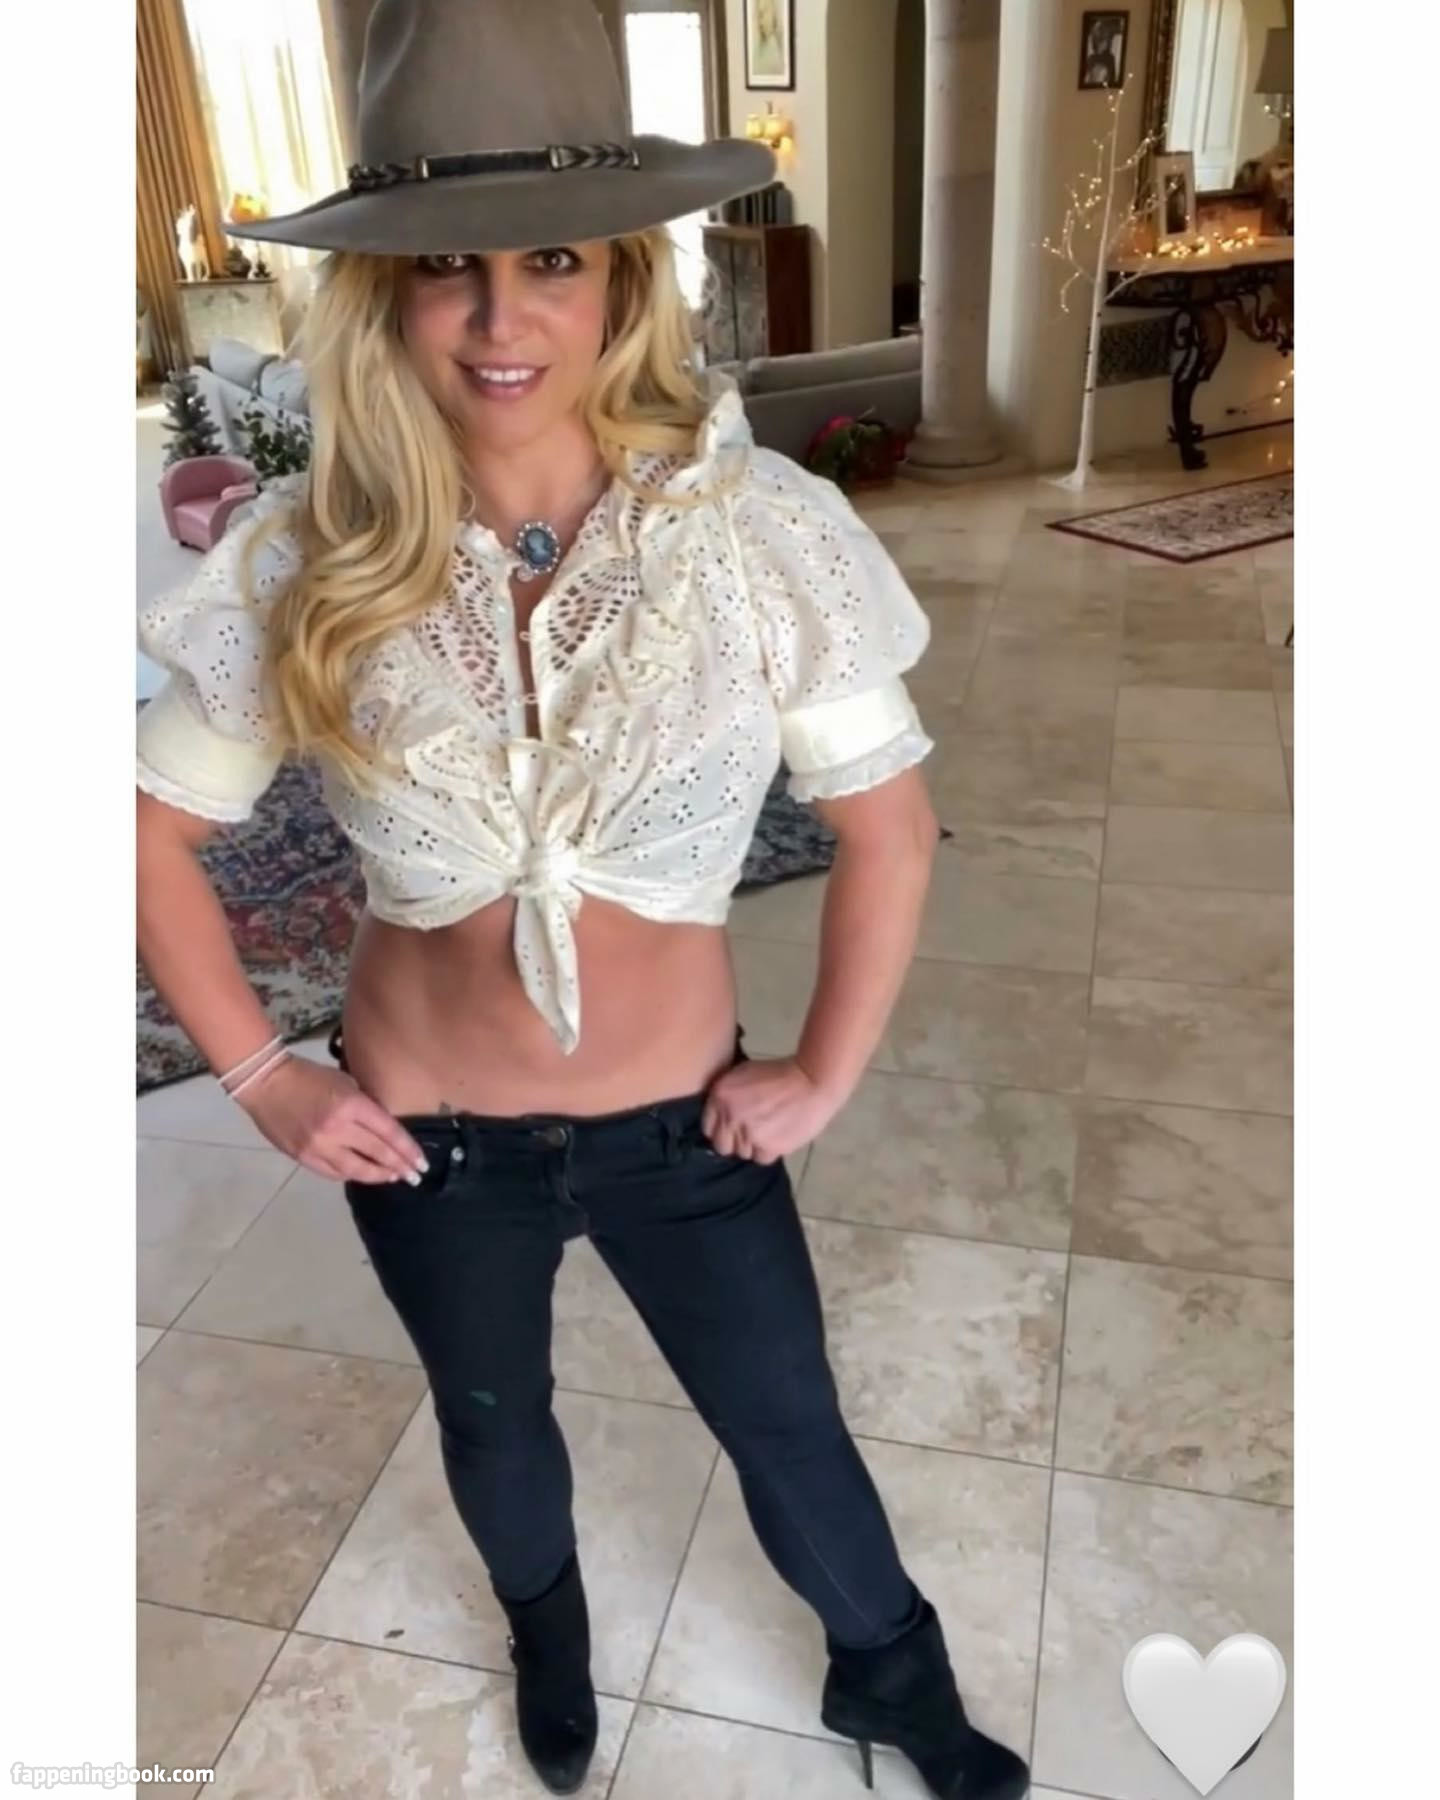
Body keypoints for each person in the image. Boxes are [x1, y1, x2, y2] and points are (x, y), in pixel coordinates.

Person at [135, 4, 1031, 1797]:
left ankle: (890, 1676)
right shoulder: (310, 561)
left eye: (550, 260)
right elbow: (145, 833)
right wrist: (262, 1076)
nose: (500, 318)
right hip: (427, 1142)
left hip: (688, 1128)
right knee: (496, 1427)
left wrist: (824, 1073)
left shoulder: (753, 533)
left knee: (787, 1423)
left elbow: (891, 827)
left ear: (624, 279)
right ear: (380, 298)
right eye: (443, 268)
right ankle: (550, 1639)